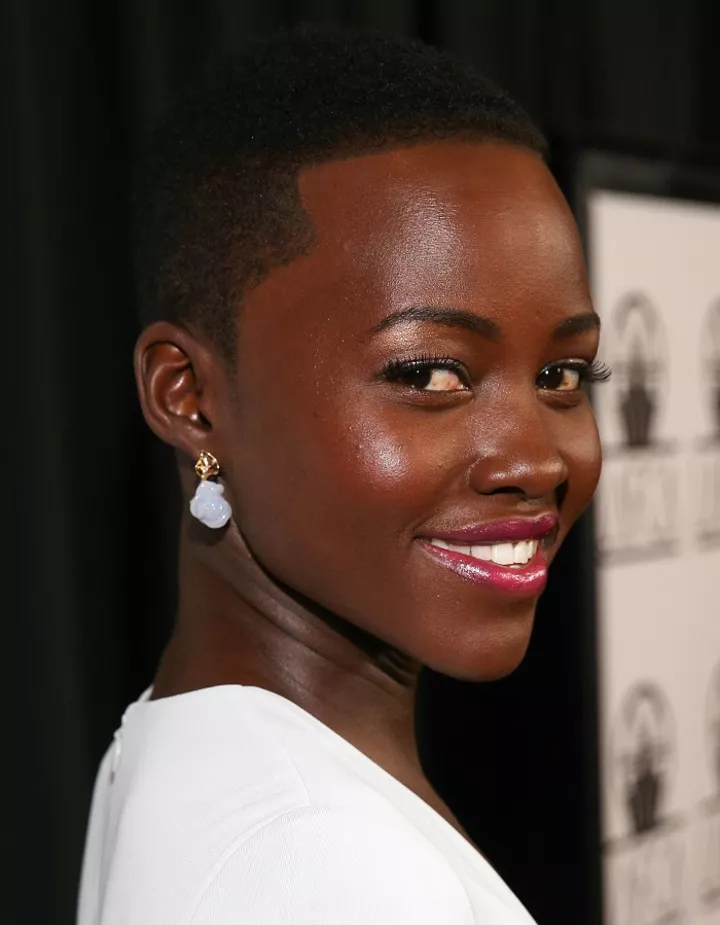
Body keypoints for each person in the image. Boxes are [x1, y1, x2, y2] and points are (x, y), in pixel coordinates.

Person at [77, 26, 607, 925]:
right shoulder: (335, 869)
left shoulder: (181, 748)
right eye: (429, 374)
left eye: (562, 374)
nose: (537, 460)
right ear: (190, 397)